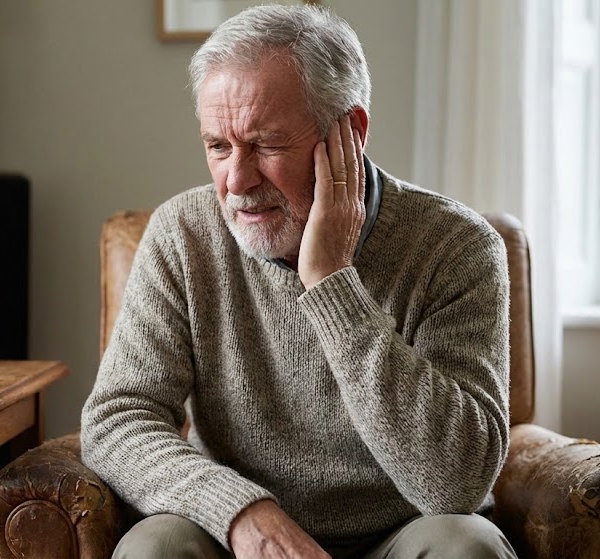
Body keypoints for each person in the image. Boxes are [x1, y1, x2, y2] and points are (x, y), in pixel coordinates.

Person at [81, 4, 517, 558]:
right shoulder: (183, 235)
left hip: (404, 537)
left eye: (266, 144)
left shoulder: (455, 245)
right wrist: (239, 511)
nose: (236, 180)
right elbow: (118, 418)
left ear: (351, 133)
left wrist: (331, 283)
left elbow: (455, 484)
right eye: (218, 146)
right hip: (239, 540)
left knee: (466, 545)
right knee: (156, 545)